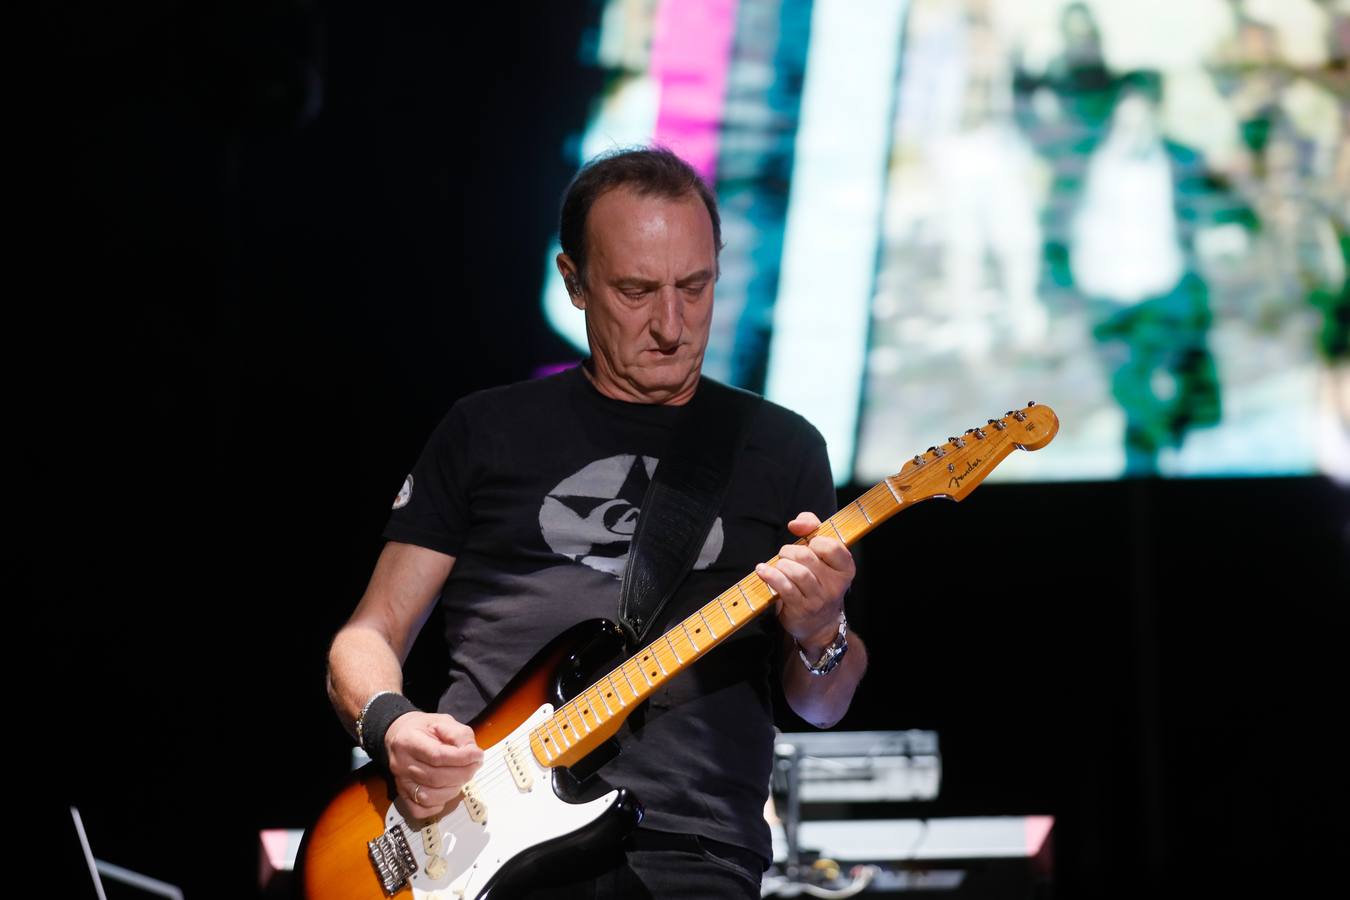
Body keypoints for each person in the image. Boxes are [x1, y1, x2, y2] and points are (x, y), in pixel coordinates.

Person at [325, 146, 868, 898]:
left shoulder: (782, 448)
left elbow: (822, 703)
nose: (672, 325)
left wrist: (821, 629)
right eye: (637, 291)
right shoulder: (486, 430)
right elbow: (368, 633)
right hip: (473, 838)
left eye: (696, 286)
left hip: (694, 850)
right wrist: (392, 724)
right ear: (574, 282)